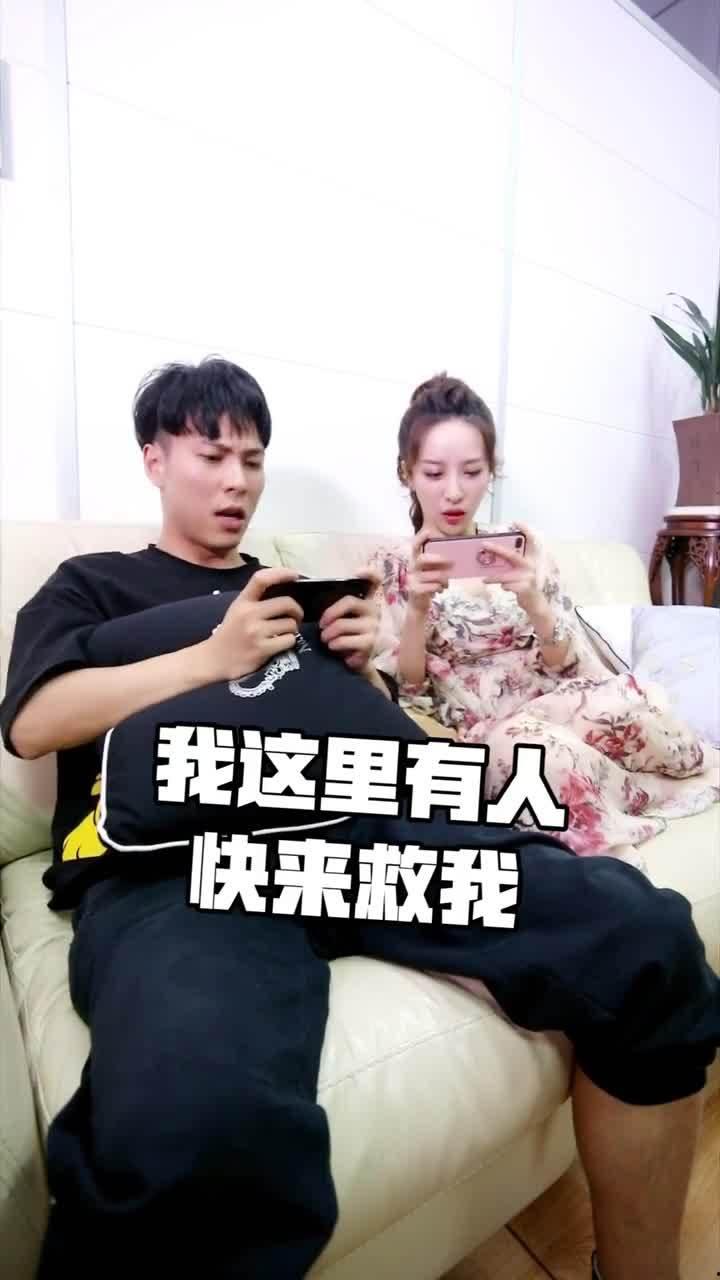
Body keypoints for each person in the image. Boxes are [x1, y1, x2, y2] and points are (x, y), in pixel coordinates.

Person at [1, 358, 718, 1280]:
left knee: (646, 940)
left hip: (362, 830)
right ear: (153, 459)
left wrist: (362, 669)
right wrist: (208, 657)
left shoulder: (298, 586)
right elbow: (33, 723)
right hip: (189, 865)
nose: (237, 482)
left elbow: (391, 731)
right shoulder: (93, 582)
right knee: (193, 1127)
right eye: (213, 456)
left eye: (253, 460)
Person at [369, 373, 720, 864]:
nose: (453, 492)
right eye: (433, 473)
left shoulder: (523, 547)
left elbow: (570, 665)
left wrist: (535, 601)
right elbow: (407, 690)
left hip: (562, 703)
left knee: (632, 701)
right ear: (406, 473)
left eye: (471, 472)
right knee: (536, 755)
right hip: (494, 728)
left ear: (492, 471)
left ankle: (628, 783)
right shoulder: (391, 565)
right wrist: (418, 610)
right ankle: (616, 829)